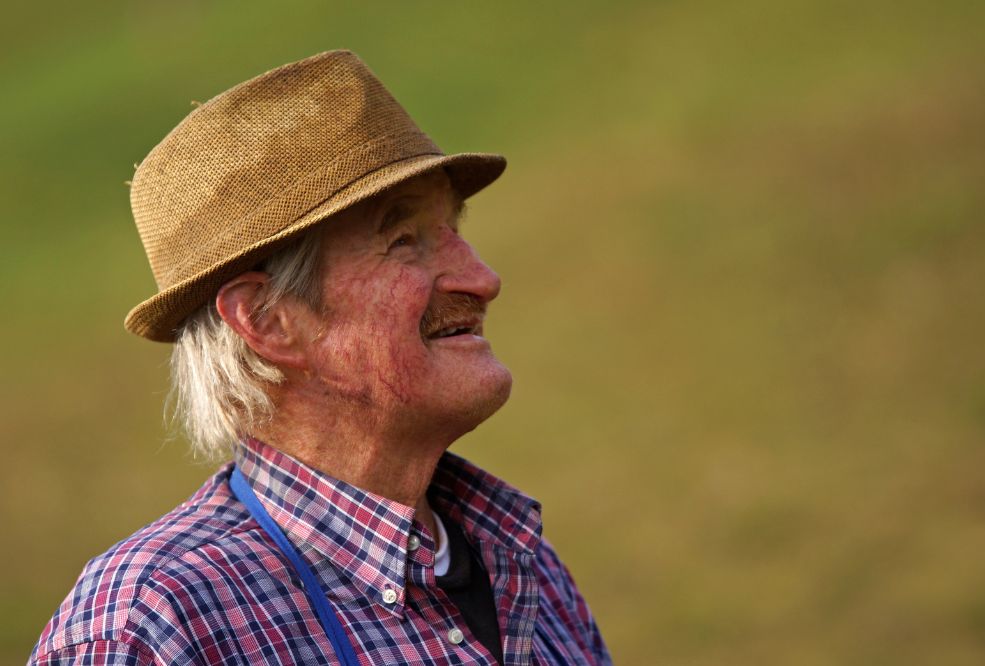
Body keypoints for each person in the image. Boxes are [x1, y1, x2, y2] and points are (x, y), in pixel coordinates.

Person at [30, 51, 611, 665]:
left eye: (454, 230)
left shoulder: (523, 565)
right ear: (268, 320)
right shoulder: (153, 622)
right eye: (403, 240)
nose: (482, 278)